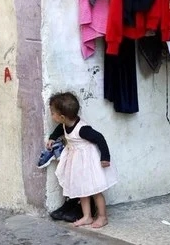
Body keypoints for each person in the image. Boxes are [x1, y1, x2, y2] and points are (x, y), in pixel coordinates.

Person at [46, 92, 117, 228]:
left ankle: (102, 217)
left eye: (52, 113)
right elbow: (59, 130)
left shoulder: (83, 129)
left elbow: (99, 138)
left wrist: (105, 157)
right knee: (82, 191)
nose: (51, 116)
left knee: (95, 191)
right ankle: (87, 217)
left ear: (62, 117)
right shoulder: (64, 124)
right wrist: (52, 138)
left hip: (89, 163)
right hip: (77, 163)